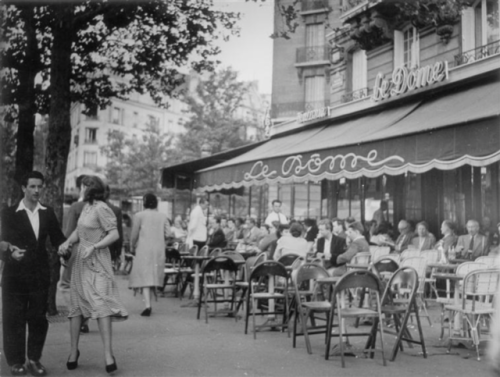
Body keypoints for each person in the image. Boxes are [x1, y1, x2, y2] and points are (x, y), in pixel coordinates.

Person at [58, 175, 127, 374]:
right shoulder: (86, 207)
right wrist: (67, 243)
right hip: (82, 262)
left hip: (98, 262)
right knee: (76, 308)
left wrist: (95, 246)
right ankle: (73, 352)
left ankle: (108, 355)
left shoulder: (101, 208)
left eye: (83, 186)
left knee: (101, 306)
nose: (80, 189)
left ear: (90, 188)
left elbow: (114, 234)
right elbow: (79, 232)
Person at [1, 171, 66, 377]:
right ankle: (16, 361)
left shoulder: (47, 212)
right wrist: (10, 252)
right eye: (32, 186)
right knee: (14, 318)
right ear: (23, 188)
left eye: (40, 186)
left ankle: (34, 359)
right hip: (14, 275)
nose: (37, 190)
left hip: (39, 275)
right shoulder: (9, 213)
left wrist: (65, 247)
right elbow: (1, 241)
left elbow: (58, 239)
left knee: (38, 319)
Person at [127, 193, 170, 316]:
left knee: (145, 277)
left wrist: (132, 246)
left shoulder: (139, 215)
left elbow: (134, 234)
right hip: (158, 249)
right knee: (152, 276)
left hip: (144, 249)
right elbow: (169, 234)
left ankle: (147, 305)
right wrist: (163, 242)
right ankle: (149, 303)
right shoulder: (163, 216)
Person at [59, 175, 89, 332]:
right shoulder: (102, 207)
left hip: (77, 250)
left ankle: (78, 318)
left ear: (81, 188)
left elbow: (69, 232)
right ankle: (85, 318)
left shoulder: (76, 207)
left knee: (66, 284)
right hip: (96, 251)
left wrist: (64, 251)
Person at [104, 185, 123, 271]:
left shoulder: (88, 208)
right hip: (109, 250)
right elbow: (118, 233)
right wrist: (118, 253)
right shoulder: (116, 210)